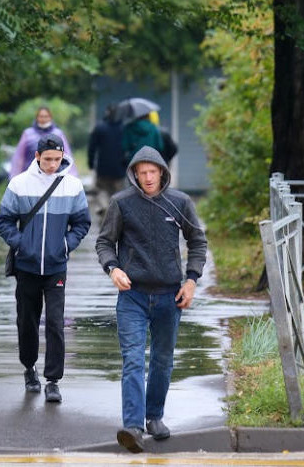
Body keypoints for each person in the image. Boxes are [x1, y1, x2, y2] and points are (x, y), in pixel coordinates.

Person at [95, 146, 207, 453]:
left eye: (152, 172)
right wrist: (113, 268)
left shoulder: (180, 202)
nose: (147, 178)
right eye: (141, 172)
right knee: (132, 358)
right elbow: (105, 243)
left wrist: (191, 280)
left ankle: (154, 416)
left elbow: (198, 241)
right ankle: (132, 426)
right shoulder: (121, 203)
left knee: (161, 360)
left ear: (162, 172)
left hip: (169, 296)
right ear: (134, 173)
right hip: (132, 294)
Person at [0, 134, 90, 403]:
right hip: (26, 265)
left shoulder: (72, 185)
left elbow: (82, 223)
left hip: (56, 265)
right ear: (37, 156)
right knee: (27, 321)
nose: (52, 164)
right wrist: (20, 244)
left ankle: (53, 381)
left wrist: (66, 245)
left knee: (56, 322)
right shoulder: (19, 184)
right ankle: (29, 367)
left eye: (57, 160)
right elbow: (4, 220)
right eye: (47, 159)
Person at [8, 106, 79, 179]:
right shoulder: (27, 134)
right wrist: (14, 177)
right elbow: (19, 157)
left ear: (50, 117)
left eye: (46, 116)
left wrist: (72, 176)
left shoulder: (58, 134)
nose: (43, 119)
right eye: (41, 116)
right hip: (31, 176)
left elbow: (67, 155)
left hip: (53, 177)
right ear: (37, 117)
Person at [87, 105, 126, 218]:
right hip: (119, 169)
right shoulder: (123, 128)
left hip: (102, 168)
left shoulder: (99, 128)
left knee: (101, 191)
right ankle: (115, 215)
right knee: (118, 194)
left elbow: (92, 147)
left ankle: (104, 207)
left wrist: (90, 162)